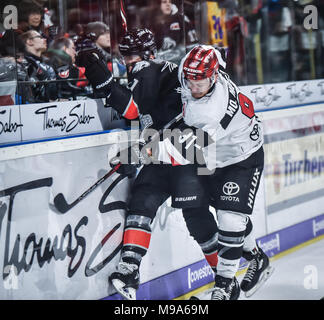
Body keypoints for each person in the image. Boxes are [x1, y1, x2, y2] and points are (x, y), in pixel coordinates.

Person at [76, 28, 219, 300]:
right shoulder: (155, 70)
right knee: (142, 201)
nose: (129, 61)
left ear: (148, 54)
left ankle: (227, 276)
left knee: (197, 217)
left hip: (186, 149)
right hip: (165, 149)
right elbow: (145, 116)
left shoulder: (148, 68)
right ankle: (130, 269)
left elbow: (130, 108)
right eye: (126, 55)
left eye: (132, 56)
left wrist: (97, 71)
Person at [155, 45, 272, 300]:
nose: (194, 87)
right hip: (213, 155)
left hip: (241, 155)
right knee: (206, 213)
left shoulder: (213, 110)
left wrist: (139, 154)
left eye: (201, 83)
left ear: (215, 77)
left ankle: (225, 286)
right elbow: (213, 50)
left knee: (230, 217)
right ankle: (256, 257)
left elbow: (182, 152)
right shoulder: (194, 64)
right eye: (191, 81)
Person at [20, 30, 57, 102]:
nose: (45, 39)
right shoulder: (22, 65)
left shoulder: (46, 64)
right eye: (40, 37)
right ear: (29, 41)